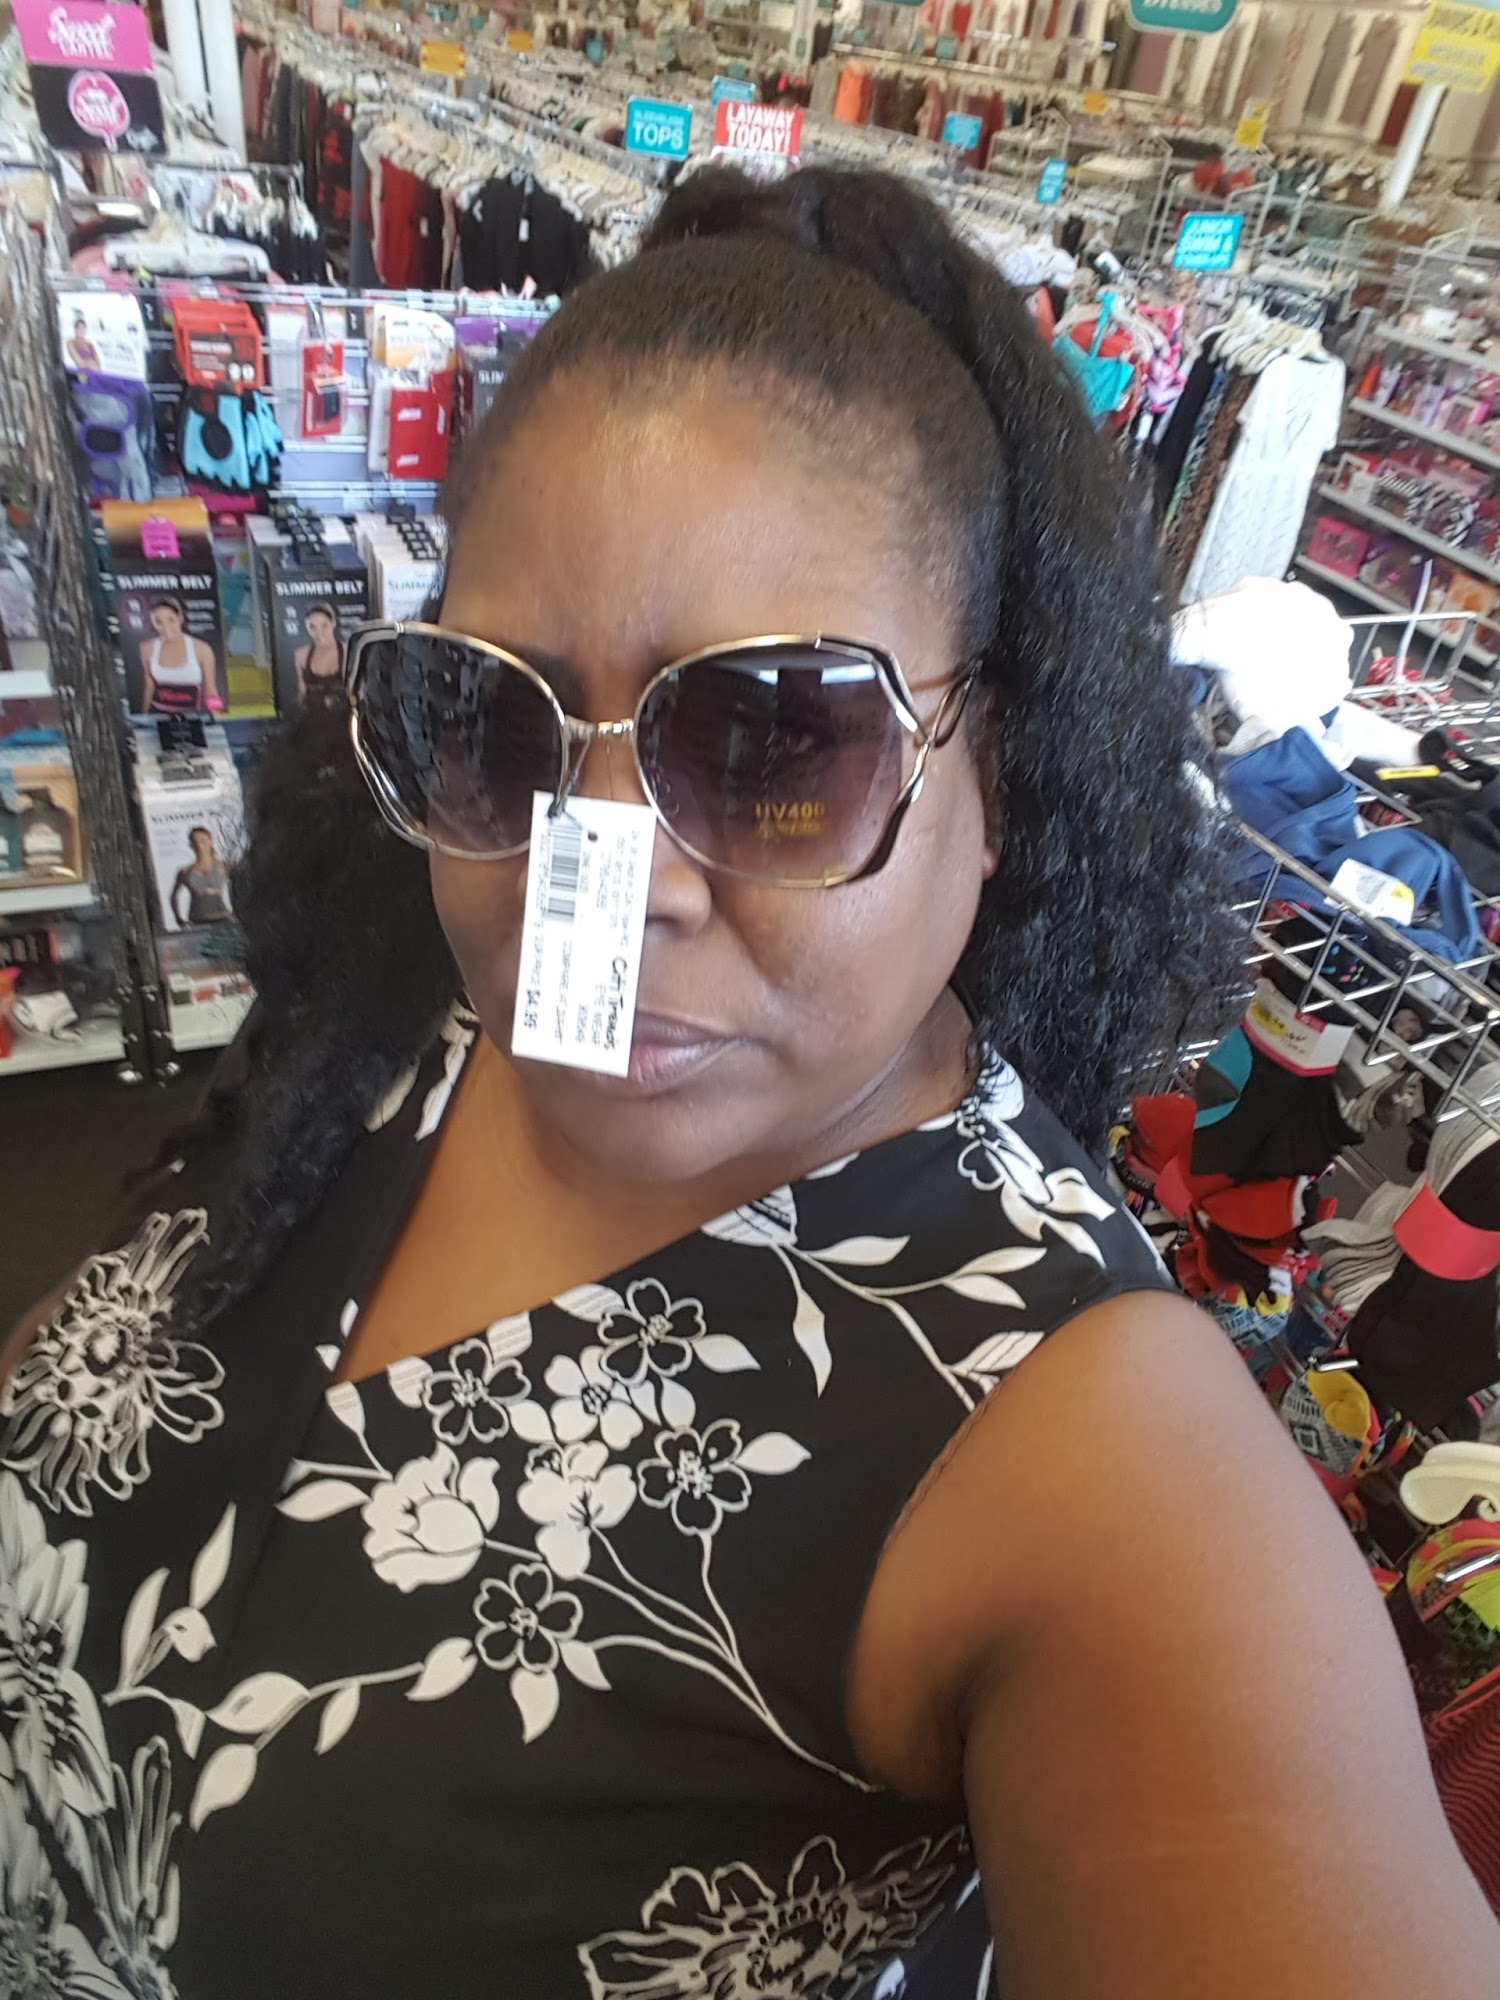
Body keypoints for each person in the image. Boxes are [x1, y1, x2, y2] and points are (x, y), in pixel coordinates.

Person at [4, 169, 1498, 1999]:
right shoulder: (401, 1009)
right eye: (498, 718)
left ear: (998, 769)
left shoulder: (1094, 1460)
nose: (605, 878)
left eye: (780, 738)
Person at [139, 595, 221, 714]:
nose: (166, 627)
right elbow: (149, 686)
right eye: (158, 621)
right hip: (158, 715)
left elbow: (211, 690)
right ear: (152, 623)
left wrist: (217, 718)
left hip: (193, 717)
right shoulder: (146, 648)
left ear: (180, 618)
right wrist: (144, 715)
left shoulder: (202, 649)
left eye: (171, 620)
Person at [170, 825, 234, 928]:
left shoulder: (224, 867)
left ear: (210, 842)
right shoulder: (185, 872)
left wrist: (237, 911)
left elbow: (240, 887)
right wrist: (178, 918)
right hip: (198, 919)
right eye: (195, 842)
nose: (199, 846)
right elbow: (174, 895)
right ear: (191, 845)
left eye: (203, 841)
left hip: (222, 917)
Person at [294, 600, 344, 701]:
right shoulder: (301, 655)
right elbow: (302, 692)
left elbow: (357, 693)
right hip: (310, 710)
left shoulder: (349, 652)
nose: (319, 633)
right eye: (312, 627)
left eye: (324, 626)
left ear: (333, 623)